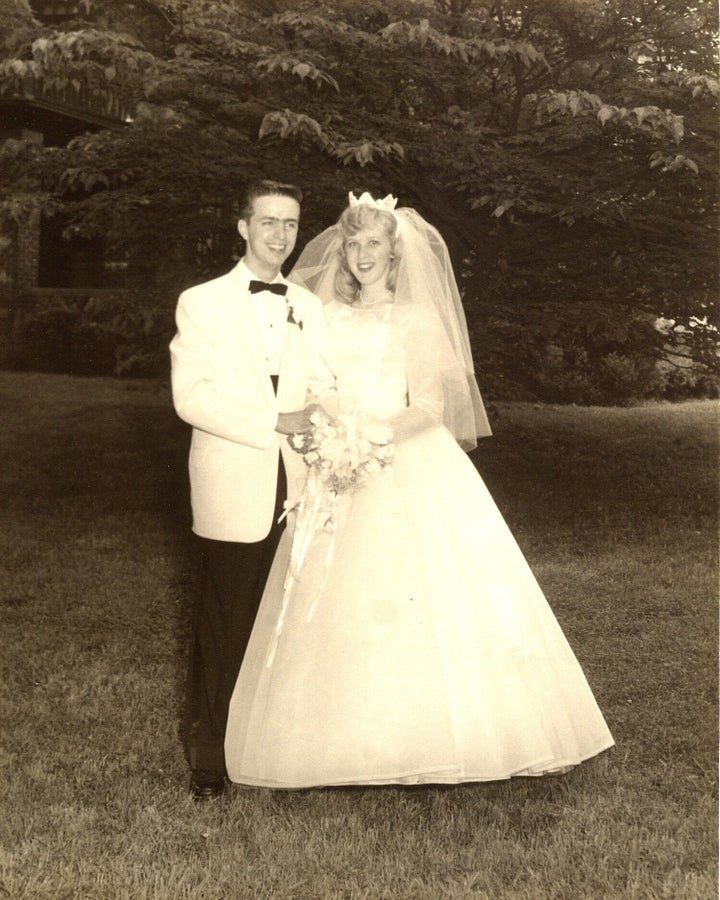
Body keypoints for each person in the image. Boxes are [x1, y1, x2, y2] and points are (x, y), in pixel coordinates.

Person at [224, 191, 614, 788]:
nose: (360, 254)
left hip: (405, 455)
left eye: (373, 243)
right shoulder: (325, 314)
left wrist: (374, 435)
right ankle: (339, 742)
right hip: (338, 458)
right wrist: (335, 428)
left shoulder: (416, 319)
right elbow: (317, 383)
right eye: (352, 242)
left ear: (396, 252)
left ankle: (438, 735)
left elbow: (431, 406)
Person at [169, 180, 324, 799]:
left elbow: (325, 382)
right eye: (268, 222)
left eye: (290, 224)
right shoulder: (200, 303)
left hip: (299, 488)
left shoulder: (309, 305)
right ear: (242, 228)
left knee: (282, 625)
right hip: (233, 484)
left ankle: (264, 749)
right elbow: (192, 399)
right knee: (223, 622)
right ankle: (208, 761)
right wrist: (274, 422)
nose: (280, 235)